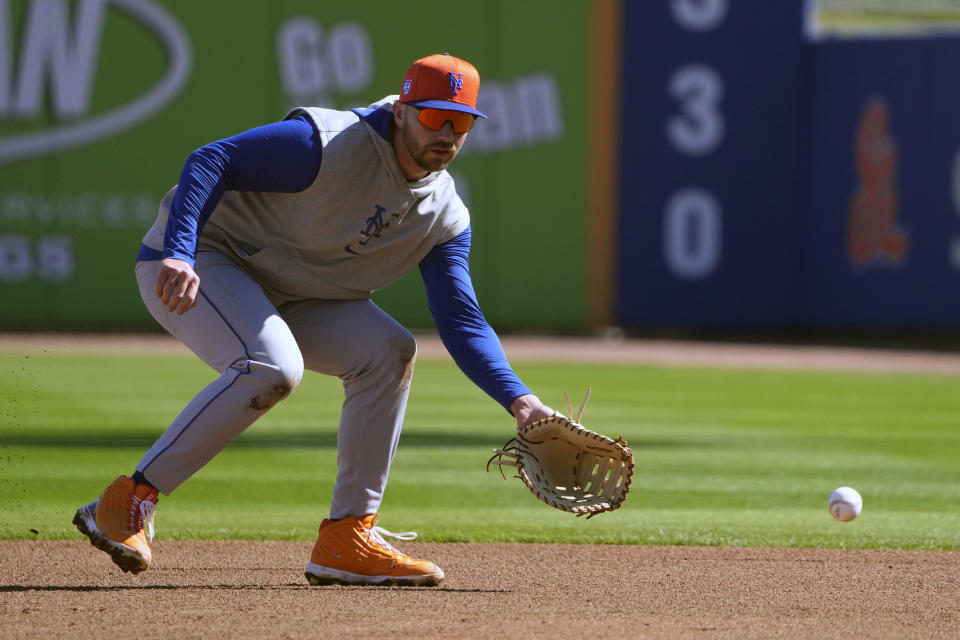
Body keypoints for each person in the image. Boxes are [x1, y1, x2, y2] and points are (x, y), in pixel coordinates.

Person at [72, 53, 554, 586]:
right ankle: (127, 502)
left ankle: (347, 537)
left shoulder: (442, 212)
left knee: (389, 352)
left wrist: (522, 400)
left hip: (298, 290)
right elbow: (212, 159)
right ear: (401, 112)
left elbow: (461, 320)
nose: (446, 132)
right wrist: (181, 251)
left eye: (460, 122)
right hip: (207, 260)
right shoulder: (325, 144)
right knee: (272, 368)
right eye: (432, 116)